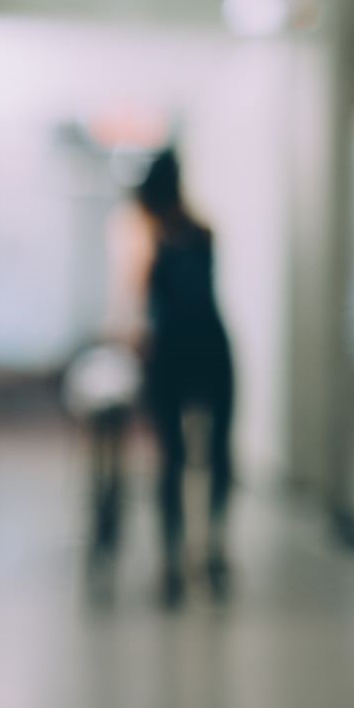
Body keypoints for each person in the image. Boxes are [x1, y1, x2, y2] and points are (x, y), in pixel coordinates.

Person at [117, 149, 235, 606]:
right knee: (218, 453)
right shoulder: (203, 231)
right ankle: (214, 549)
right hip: (211, 347)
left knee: (171, 458)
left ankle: (172, 558)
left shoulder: (149, 236)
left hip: (171, 354)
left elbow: (139, 306)